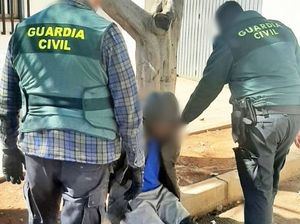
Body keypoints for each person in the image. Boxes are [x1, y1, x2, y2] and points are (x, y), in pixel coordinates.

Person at [0, 0, 145, 223]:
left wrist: (8, 149)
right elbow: (128, 109)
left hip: (38, 151)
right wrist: (135, 162)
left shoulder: (23, 30)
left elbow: (6, 102)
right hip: (90, 155)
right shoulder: (105, 33)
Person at [181, 2, 300, 224]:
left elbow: (209, 86)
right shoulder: (283, 30)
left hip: (259, 122)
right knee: (270, 178)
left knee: (257, 191)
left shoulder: (230, 38)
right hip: (293, 116)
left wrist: (182, 119)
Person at [108, 92, 197, 224]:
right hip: (132, 196)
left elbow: (170, 168)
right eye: (163, 123)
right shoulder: (131, 138)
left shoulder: (169, 140)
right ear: (148, 120)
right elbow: (111, 167)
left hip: (160, 192)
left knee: (185, 221)